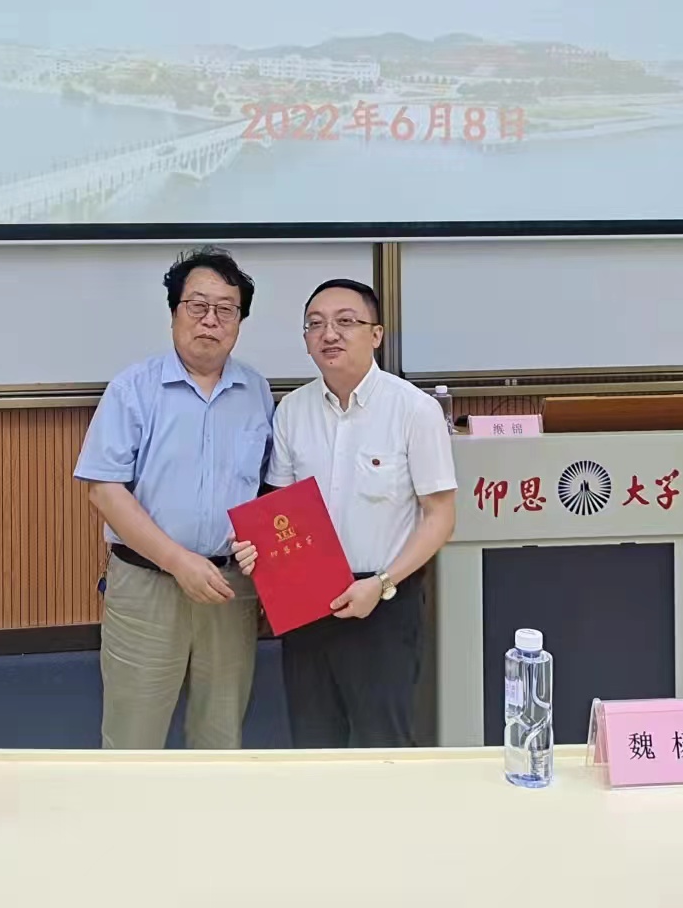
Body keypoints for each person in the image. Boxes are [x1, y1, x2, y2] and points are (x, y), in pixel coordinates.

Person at [234, 278, 456, 749]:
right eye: (315, 324)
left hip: (384, 599)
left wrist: (382, 583)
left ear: (376, 334)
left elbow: (440, 516)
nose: (329, 333)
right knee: (314, 742)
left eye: (345, 322)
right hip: (307, 601)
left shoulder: (414, 410)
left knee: (384, 742)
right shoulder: (292, 411)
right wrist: (258, 552)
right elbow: (279, 511)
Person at [75, 246, 273, 750]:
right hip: (148, 585)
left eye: (225, 309)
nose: (210, 320)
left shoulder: (257, 392)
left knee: (220, 736)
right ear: (173, 314)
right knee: (133, 737)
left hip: (229, 588)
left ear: (239, 322)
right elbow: (104, 489)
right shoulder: (133, 389)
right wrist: (178, 560)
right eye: (197, 306)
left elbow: (267, 493)